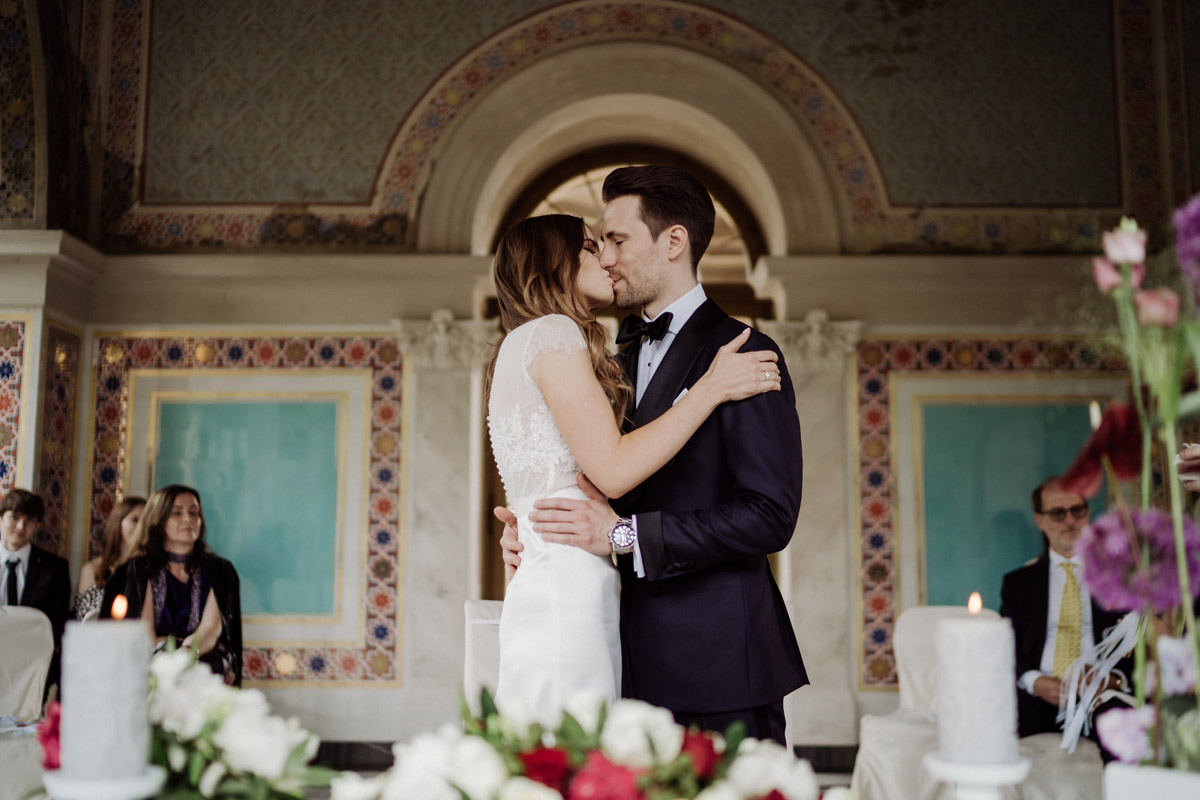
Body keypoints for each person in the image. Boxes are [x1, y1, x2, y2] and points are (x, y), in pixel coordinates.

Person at [498, 165, 806, 744]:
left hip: (715, 661)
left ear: (673, 242)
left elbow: (770, 514)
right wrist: (537, 524)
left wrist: (624, 537)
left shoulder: (744, 352)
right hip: (616, 651)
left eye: (617, 240)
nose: (606, 258)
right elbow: (597, 473)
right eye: (600, 245)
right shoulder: (604, 355)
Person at [999, 477, 1130, 759]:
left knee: (1126, 735)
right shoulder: (1018, 584)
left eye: (1078, 510)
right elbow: (1005, 645)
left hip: (1099, 695)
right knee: (992, 724)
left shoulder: (1118, 576)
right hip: (1038, 694)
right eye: (1058, 513)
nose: (1070, 520)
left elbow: (1140, 643)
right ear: (1040, 520)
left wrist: (1112, 680)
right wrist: (1034, 681)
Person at [101, 485, 243, 685]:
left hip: (201, 657)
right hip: (151, 661)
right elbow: (145, 635)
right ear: (157, 520)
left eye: (194, 513)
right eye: (177, 513)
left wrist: (187, 653)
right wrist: (173, 655)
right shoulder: (138, 569)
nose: (188, 519)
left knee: (212, 666)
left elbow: (211, 628)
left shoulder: (220, 570)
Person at [1, 488, 71, 694]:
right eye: (14, 517)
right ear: (1, 518)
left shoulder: (55, 567)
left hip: (34, 666)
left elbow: (57, 621)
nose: (21, 526)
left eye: (29, 520)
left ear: (38, 525)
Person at [73, 495, 145, 620]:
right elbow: (84, 619)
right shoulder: (93, 569)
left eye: (146, 521)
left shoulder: (153, 568)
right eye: (134, 520)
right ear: (118, 523)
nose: (141, 526)